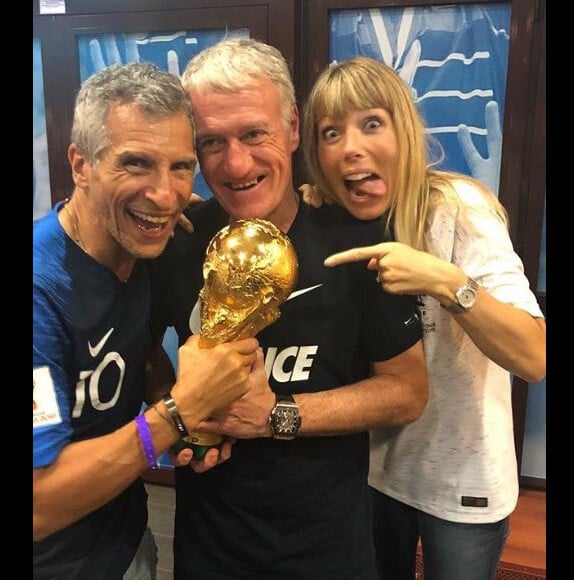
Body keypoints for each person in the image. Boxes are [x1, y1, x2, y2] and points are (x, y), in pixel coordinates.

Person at [148, 38, 429, 579]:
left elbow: (407, 391)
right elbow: (143, 353)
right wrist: (177, 412)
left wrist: (274, 416)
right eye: (211, 142)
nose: (235, 163)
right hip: (209, 548)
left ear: (293, 127)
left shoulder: (357, 243)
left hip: (326, 550)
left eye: (255, 133)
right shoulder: (181, 245)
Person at [301, 56, 546, 580]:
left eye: (371, 123)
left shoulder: (459, 211)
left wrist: (444, 281)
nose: (351, 147)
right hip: (369, 474)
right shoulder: (330, 218)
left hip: (462, 482)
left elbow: (534, 356)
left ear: (404, 131)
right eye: (330, 132)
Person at [33, 62, 259, 580]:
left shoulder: (141, 244)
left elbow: (127, 350)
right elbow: (38, 506)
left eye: (180, 167)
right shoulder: (41, 291)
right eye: (136, 164)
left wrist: (167, 400)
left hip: (130, 542)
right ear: (81, 164)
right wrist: (178, 414)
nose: (165, 195)